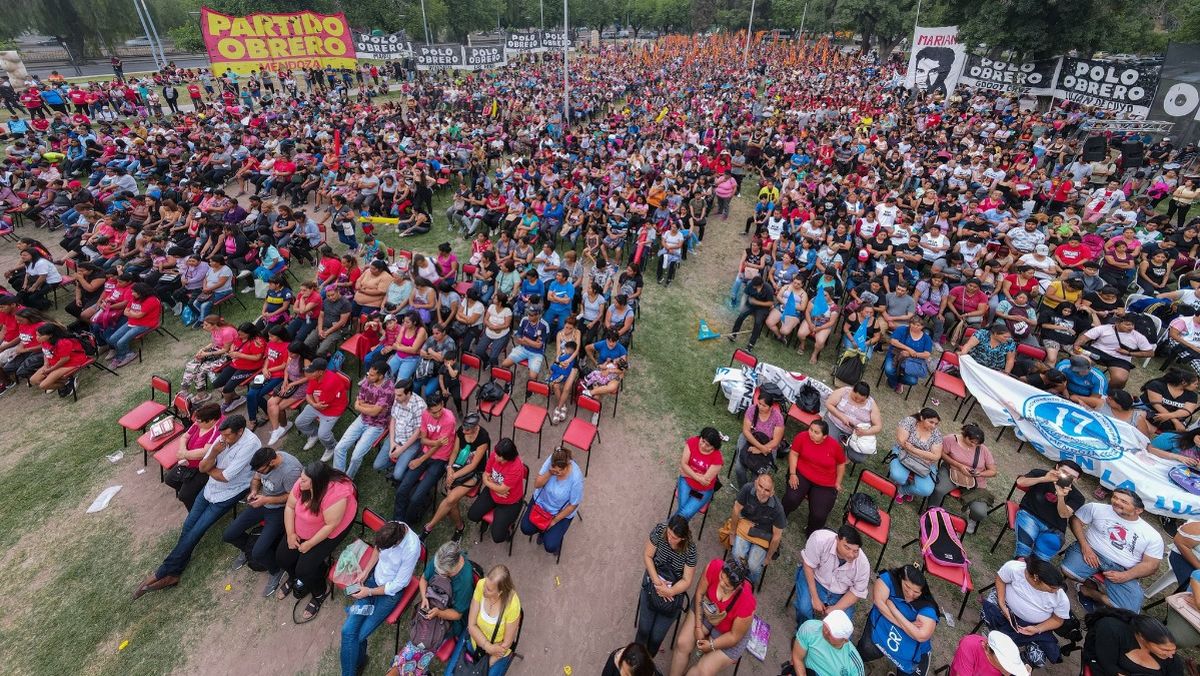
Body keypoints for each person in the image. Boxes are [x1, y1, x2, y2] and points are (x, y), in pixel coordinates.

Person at [133, 415, 262, 599]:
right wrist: (214, 455)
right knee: (188, 526)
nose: (223, 439)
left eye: (227, 436)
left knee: (197, 531)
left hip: (229, 492)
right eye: (222, 435)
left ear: (240, 432)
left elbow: (226, 477)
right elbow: (203, 467)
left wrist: (211, 465)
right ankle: (174, 573)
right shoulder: (222, 437)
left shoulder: (250, 445)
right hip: (211, 487)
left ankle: (162, 572)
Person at [275, 461, 358, 621]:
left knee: (305, 569)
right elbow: (290, 507)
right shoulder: (303, 485)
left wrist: (310, 544)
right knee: (282, 558)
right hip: (303, 527)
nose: (300, 481)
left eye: (304, 480)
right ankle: (294, 578)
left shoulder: (335, 495)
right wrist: (291, 533)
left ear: (317, 482)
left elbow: (330, 525)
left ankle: (319, 593)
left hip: (328, 531)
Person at [339, 519, 421, 676]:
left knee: (358, 636)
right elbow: (377, 549)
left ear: (396, 543)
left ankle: (357, 665)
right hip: (372, 581)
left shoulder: (412, 548)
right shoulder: (392, 526)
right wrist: (365, 572)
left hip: (389, 595)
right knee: (347, 631)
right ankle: (359, 662)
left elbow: (398, 585)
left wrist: (369, 592)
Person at [1064, 488, 1164, 612]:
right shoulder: (1096, 508)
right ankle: (1090, 581)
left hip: (1122, 568)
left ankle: (1089, 592)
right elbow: (1075, 520)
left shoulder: (1152, 535)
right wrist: (1085, 547)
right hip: (1092, 552)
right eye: (1115, 497)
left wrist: (1126, 575)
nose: (1116, 502)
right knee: (1068, 571)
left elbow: (1151, 565)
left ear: (1138, 510)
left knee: (1129, 609)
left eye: (1124, 501)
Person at [222, 446, 303, 597]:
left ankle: (275, 570)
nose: (259, 472)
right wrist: (254, 491)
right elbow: (256, 479)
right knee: (229, 534)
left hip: (280, 510)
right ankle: (247, 550)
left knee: (258, 552)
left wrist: (267, 499)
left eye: (261, 469)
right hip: (262, 503)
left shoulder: (290, 471)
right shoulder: (264, 462)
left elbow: (293, 497)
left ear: (272, 462)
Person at [668, 558, 756, 676]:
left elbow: (734, 637)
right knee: (682, 643)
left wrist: (712, 645)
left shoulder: (747, 603)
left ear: (738, 587)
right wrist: (698, 628)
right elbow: (699, 593)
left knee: (703, 671)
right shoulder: (714, 566)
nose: (721, 583)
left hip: (729, 631)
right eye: (721, 577)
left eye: (727, 585)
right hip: (706, 607)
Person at [980, 557, 1070, 667]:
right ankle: (992, 640)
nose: (1055, 591)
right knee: (987, 613)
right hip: (1006, 608)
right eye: (1052, 588)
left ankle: (1010, 667)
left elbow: (1057, 620)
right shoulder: (1015, 568)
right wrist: (1002, 605)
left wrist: (1037, 629)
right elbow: (1000, 579)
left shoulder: (1060, 597)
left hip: (1033, 627)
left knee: (1038, 660)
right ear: (1036, 578)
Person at [421, 412, 491, 541]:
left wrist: (453, 476)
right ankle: (459, 527)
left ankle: (428, 528)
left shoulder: (483, 438)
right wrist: (449, 469)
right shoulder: (461, 431)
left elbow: (473, 465)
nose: (464, 431)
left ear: (476, 427)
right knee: (451, 500)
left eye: (467, 429)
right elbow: (454, 451)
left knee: (450, 498)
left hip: (474, 472)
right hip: (458, 465)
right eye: (463, 428)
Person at [860, 564, 939, 676]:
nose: (910, 594)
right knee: (867, 649)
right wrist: (907, 625)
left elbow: (921, 636)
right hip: (882, 629)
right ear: (900, 578)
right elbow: (879, 602)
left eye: (916, 592)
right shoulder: (889, 578)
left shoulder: (927, 607)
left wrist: (893, 609)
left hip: (912, 648)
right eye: (907, 587)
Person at [392, 392, 458, 524]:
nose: (438, 414)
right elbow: (423, 440)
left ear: (443, 404)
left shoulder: (449, 419)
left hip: (440, 459)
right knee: (402, 489)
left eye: (440, 410)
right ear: (428, 409)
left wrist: (421, 459)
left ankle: (408, 523)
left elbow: (438, 447)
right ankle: (397, 522)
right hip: (426, 452)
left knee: (416, 498)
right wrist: (434, 442)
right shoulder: (425, 414)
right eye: (434, 412)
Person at [444, 564, 521, 676]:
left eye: (489, 590)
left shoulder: (512, 605)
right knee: (448, 674)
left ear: (500, 593)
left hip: (496, 655)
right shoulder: (481, 585)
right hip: (475, 641)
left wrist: (483, 666)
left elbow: (506, 644)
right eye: (485, 584)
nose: (484, 590)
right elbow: (471, 625)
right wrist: (487, 646)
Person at [636, 515, 698, 657]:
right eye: (669, 534)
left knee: (656, 637)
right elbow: (648, 556)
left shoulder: (690, 549)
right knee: (643, 630)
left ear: (682, 538)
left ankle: (648, 662)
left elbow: (687, 580)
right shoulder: (660, 530)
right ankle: (636, 659)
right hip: (653, 581)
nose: (670, 539)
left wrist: (670, 591)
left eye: (674, 537)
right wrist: (657, 582)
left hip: (672, 592)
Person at [793, 525, 870, 625]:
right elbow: (808, 566)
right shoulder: (819, 540)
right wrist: (815, 598)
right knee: (804, 609)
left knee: (841, 625)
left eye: (856, 551)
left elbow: (856, 592)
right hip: (815, 579)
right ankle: (803, 631)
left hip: (840, 594)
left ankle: (823, 639)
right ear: (837, 539)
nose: (851, 555)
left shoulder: (863, 564)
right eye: (847, 548)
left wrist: (836, 608)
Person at [927, 423, 996, 532]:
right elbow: (941, 453)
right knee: (939, 489)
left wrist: (979, 473)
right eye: (971, 442)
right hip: (951, 471)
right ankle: (931, 511)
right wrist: (958, 465)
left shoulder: (983, 450)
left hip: (974, 480)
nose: (974, 445)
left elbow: (993, 471)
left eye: (977, 443)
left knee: (980, 512)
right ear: (964, 435)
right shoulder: (951, 440)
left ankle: (972, 519)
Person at [331, 362, 395, 478]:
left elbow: (372, 411)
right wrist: (373, 407)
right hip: (362, 419)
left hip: (376, 425)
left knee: (356, 456)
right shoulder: (368, 381)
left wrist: (364, 407)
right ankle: (338, 477)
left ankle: (348, 478)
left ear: (380, 376)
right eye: (368, 374)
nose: (368, 377)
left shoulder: (388, 389)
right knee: (339, 448)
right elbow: (359, 402)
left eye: (371, 375)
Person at [783, 420, 847, 535]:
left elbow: (841, 464)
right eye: (811, 430)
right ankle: (781, 516)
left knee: (819, 514)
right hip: (802, 473)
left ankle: (811, 533)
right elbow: (794, 453)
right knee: (791, 498)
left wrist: (838, 482)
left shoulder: (834, 446)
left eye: (816, 432)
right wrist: (793, 474)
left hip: (825, 483)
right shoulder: (802, 437)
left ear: (824, 436)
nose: (811, 433)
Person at [1013, 459, 1085, 559]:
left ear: (1076, 480)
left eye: (1072, 477)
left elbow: (1064, 514)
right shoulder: (1040, 473)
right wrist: (1043, 479)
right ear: (1057, 467)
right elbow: (1020, 482)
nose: (1067, 477)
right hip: (1030, 516)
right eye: (1064, 472)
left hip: (1055, 529)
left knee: (1039, 561)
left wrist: (1061, 497)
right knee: (1023, 553)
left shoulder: (1078, 497)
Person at [519, 446, 583, 555]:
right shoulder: (552, 461)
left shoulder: (576, 478)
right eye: (555, 470)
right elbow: (537, 484)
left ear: (567, 465)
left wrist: (553, 521)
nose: (557, 473)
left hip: (558, 513)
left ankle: (546, 533)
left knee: (550, 546)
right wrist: (549, 473)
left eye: (560, 471)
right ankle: (542, 530)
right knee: (525, 528)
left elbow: (573, 505)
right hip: (540, 504)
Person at [416, 541, 475, 656]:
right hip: (435, 605)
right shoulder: (440, 559)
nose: (438, 572)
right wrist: (424, 598)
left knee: (428, 638)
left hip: (450, 619)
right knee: (421, 630)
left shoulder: (464, 581)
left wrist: (439, 613)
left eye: (441, 573)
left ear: (452, 570)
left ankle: (422, 653)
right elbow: (423, 579)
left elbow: (458, 614)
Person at [1085, 610, 1184, 676]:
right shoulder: (1112, 630)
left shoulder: (1172, 661)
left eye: (1173, 650)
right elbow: (1107, 665)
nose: (1170, 655)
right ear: (1142, 638)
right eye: (1164, 650)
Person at [466, 437, 526, 544]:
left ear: (507, 458)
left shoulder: (516, 467)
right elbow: (486, 474)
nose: (495, 456)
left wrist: (491, 484)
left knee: (498, 537)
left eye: (499, 456)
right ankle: (489, 518)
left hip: (510, 502)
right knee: (472, 515)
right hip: (492, 493)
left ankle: (507, 529)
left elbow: (502, 489)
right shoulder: (495, 454)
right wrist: (495, 488)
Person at [730, 472, 786, 585]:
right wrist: (732, 533)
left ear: (772, 493)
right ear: (756, 483)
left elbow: (776, 537)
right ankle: (735, 580)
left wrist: (768, 557)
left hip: (763, 534)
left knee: (753, 566)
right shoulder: (747, 489)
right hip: (746, 525)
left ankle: (748, 584)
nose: (762, 492)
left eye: (767, 490)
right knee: (737, 555)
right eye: (760, 486)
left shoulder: (778, 509)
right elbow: (736, 509)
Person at [1072, 317, 1155, 390]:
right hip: (1098, 351)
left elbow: (1150, 353)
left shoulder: (1138, 336)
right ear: (1117, 323)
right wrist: (1076, 345)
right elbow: (1085, 337)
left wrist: (1129, 353)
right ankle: (1074, 383)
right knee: (1080, 362)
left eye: (1132, 325)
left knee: (1120, 379)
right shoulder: (1104, 328)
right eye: (1127, 325)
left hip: (1120, 359)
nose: (1131, 327)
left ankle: (1106, 393)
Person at [295, 357, 350, 461]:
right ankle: (313, 434)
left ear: (320, 372)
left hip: (332, 410)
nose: (308, 374)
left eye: (312, 371)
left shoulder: (330, 382)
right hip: (317, 405)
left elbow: (323, 404)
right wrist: (313, 403)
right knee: (299, 422)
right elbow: (309, 394)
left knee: (323, 435)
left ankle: (332, 447)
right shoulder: (314, 377)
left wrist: (313, 401)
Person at [372, 378, 426, 482]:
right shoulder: (398, 399)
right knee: (377, 466)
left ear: (409, 393)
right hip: (395, 436)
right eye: (395, 394)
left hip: (411, 442)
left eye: (399, 395)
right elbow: (393, 420)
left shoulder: (420, 406)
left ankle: (401, 459)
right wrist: (392, 442)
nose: (396, 397)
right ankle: (398, 459)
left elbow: (417, 432)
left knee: (397, 476)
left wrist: (401, 449)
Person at [732, 391, 786, 488]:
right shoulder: (752, 409)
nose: (760, 407)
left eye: (764, 405)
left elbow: (776, 441)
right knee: (739, 468)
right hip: (751, 439)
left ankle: (751, 491)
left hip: (768, 445)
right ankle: (743, 489)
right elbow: (746, 431)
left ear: (771, 407)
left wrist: (760, 449)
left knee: (757, 476)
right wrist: (760, 448)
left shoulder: (778, 417)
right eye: (759, 403)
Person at [888, 408, 944, 502]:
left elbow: (936, 456)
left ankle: (903, 491)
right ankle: (904, 484)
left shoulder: (936, 434)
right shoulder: (910, 422)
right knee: (899, 477)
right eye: (931, 422)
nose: (934, 426)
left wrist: (913, 449)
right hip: (903, 453)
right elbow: (902, 442)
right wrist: (925, 455)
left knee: (926, 490)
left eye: (936, 423)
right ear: (922, 418)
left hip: (923, 463)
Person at [789, 609, 864, 676]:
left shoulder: (854, 664)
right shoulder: (810, 628)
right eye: (826, 625)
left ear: (845, 640)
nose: (825, 632)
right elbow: (798, 658)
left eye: (833, 633)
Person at [675, 427, 724, 520]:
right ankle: (670, 530)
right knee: (684, 513)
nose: (703, 445)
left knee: (684, 513)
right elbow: (683, 464)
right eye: (702, 440)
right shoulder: (692, 442)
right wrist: (698, 477)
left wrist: (687, 473)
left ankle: (664, 528)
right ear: (700, 437)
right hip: (686, 483)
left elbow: (704, 481)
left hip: (702, 490)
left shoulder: (717, 459)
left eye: (708, 445)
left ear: (714, 447)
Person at [883, 316, 934, 392]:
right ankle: (894, 383)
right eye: (913, 324)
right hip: (895, 355)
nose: (915, 326)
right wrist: (909, 349)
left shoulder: (926, 338)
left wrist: (912, 354)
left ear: (922, 326)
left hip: (913, 361)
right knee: (889, 370)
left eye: (918, 325)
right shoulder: (902, 329)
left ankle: (899, 381)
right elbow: (893, 341)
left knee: (912, 381)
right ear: (910, 324)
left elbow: (927, 354)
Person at [948, 631, 1031, 676]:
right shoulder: (969, 646)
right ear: (988, 651)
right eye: (1006, 665)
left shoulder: (1008, 665)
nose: (1010, 671)